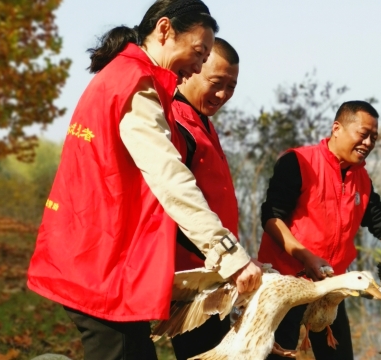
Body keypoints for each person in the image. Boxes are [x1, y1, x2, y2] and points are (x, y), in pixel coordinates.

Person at [26, 1, 262, 359]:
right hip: (104, 265)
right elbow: (169, 177)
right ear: (165, 30)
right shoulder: (137, 85)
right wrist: (230, 256)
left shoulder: (122, 76)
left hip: (100, 258)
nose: (199, 65)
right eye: (199, 52)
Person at [258, 100, 381, 360]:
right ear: (337, 128)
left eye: (374, 137)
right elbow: (271, 219)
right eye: (363, 134)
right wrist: (305, 257)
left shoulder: (361, 179)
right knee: (277, 356)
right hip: (285, 284)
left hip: (332, 286)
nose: (368, 142)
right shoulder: (299, 162)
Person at [169, 37, 241, 360]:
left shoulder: (203, 123)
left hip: (218, 273)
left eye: (231, 86)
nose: (223, 94)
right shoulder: (175, 121)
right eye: (216, 83)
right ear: (193, 70)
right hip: (193, 279)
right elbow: (174, 200)